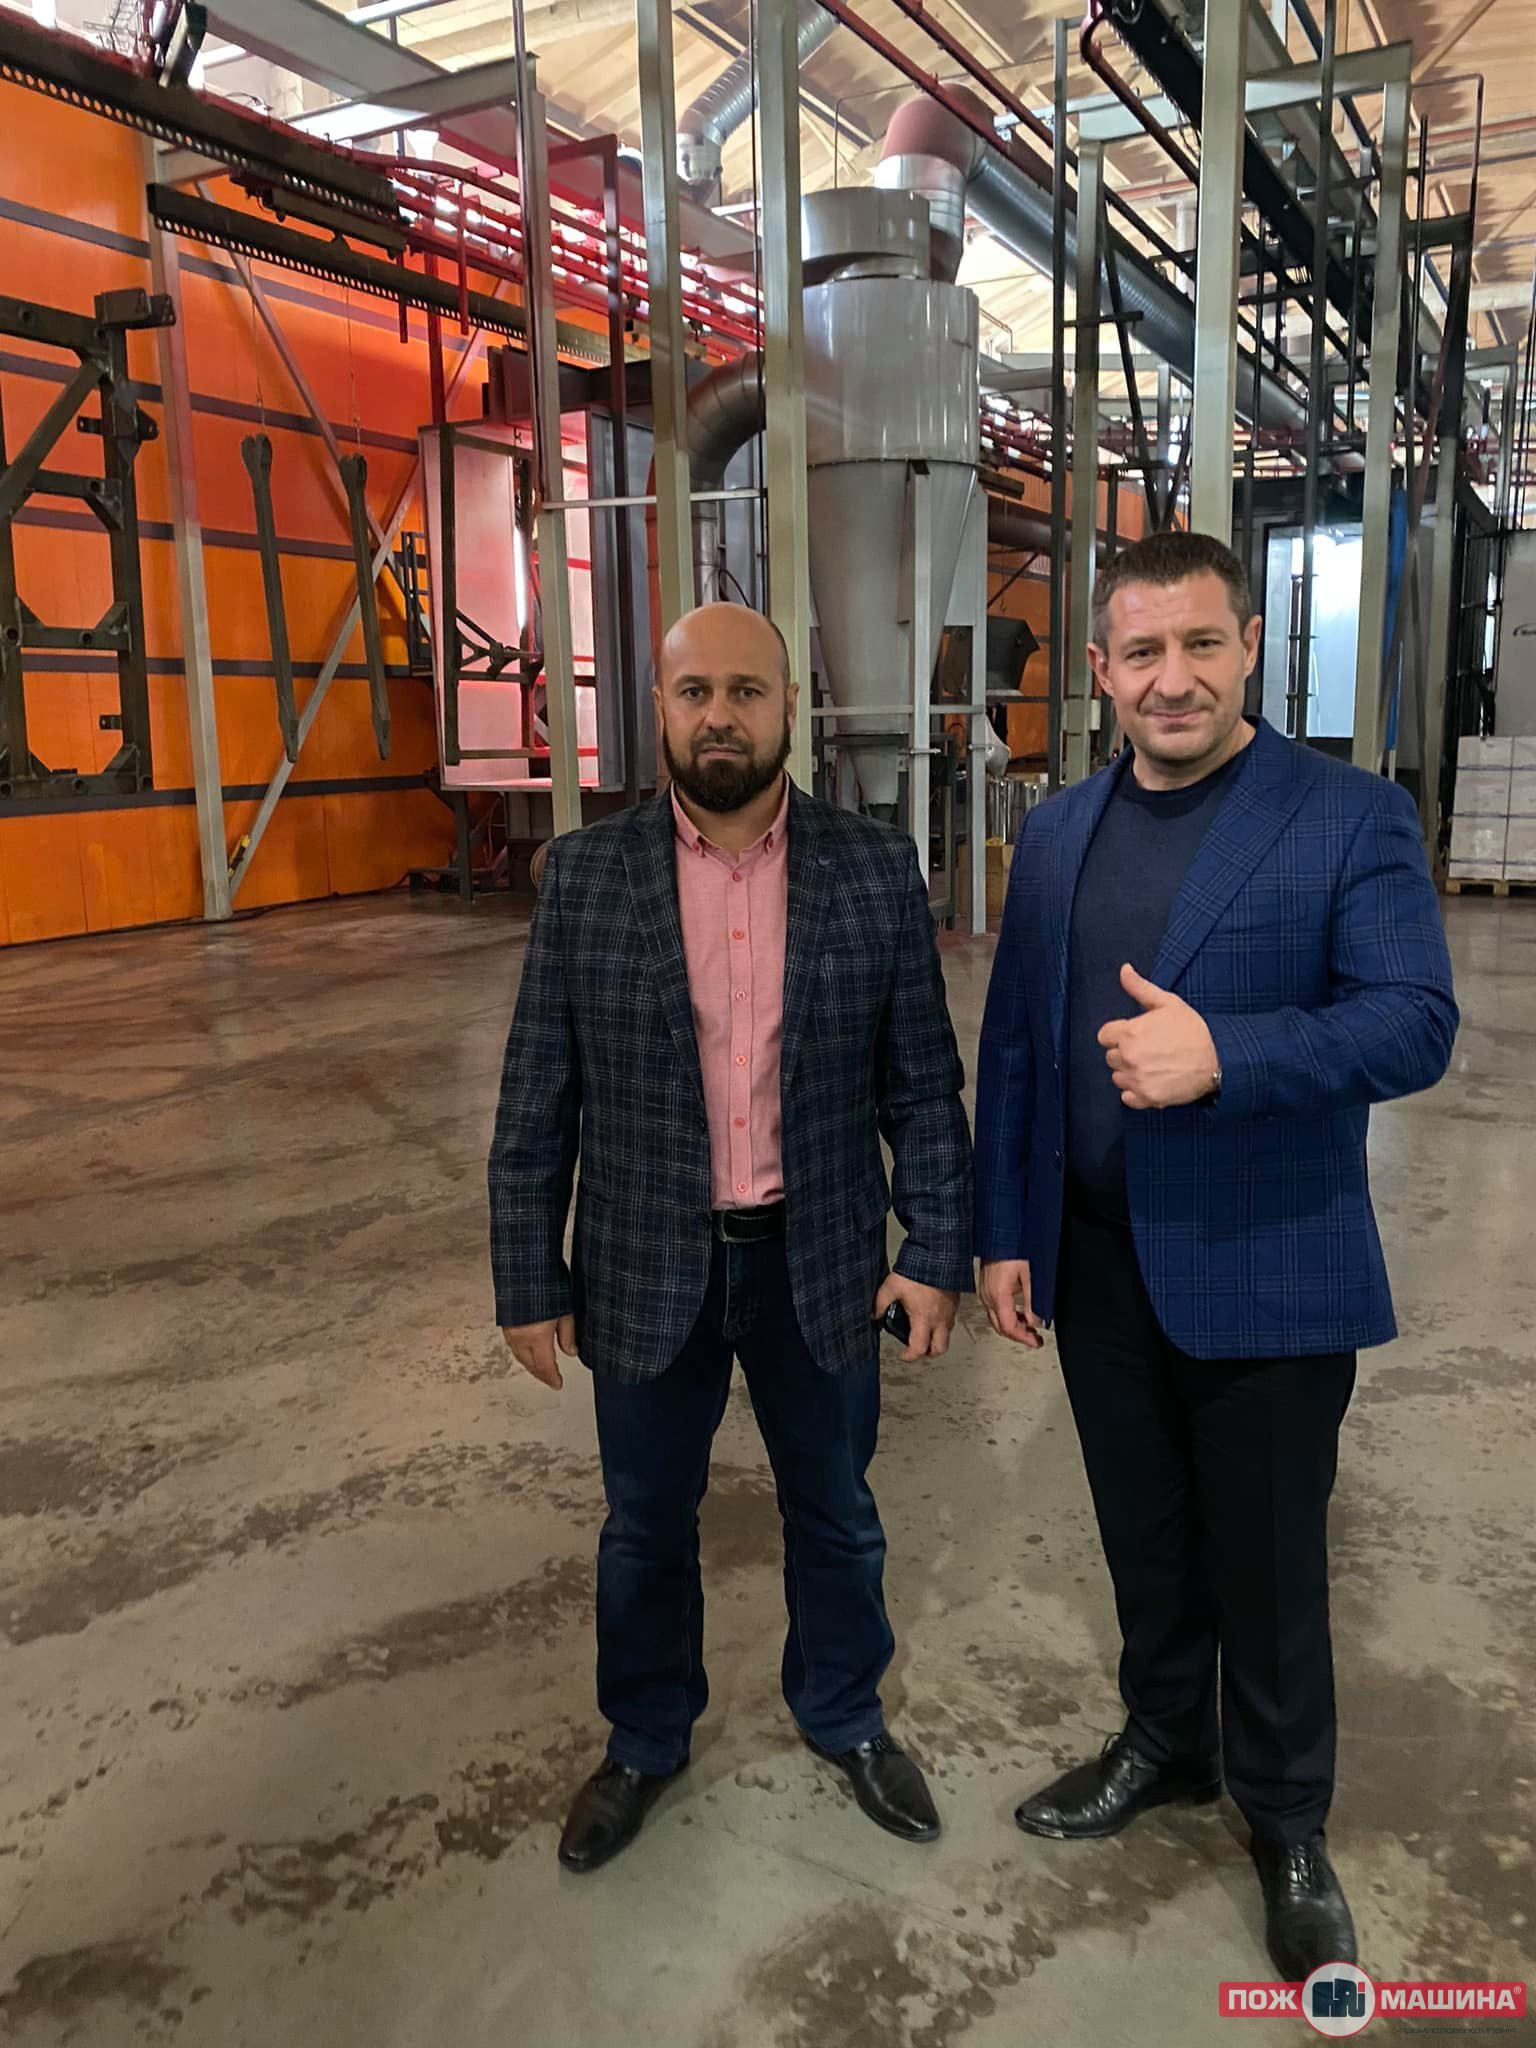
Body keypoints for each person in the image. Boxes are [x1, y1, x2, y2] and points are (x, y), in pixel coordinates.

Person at [974, 529, 1458, 1980]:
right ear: (1102, 669)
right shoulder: (1059, 832)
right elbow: (1017, 1045)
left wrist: (1226, 1057)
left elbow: (1415, 1021)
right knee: (1145, 1540)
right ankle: (1168, 1742)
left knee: (1271, 1565)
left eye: (1200, 644)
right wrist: (1005, 1232)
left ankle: (1289, 1820)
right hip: (1098, 1264)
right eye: (1142, 652)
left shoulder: (1349, 815)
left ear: (1250, 644)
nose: (1171, 678)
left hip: (1268, 1260)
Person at [489, 601, 974, 1874]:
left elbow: (923, 1083)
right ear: (659, 705)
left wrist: (934, 1249)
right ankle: (645, 1737)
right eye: (695, 690)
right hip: (645, 1263)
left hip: (820, 1259)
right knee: (645, 1523)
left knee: (837, 1511)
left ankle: (845, 1711)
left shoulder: (872, 869)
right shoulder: (585, 877)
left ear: (789, 705)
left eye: (747, 691)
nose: (720, 716)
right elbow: (538, 1091)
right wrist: (526, 1275)